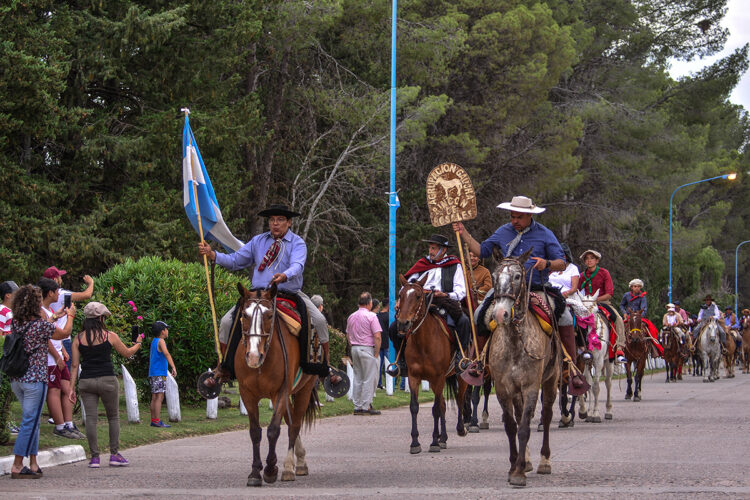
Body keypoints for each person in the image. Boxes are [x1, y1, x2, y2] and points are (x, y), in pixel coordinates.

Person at [453, 195, 585, 391]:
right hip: (506, 288)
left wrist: (546, 263)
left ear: (529, 216)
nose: (514, 220)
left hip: (537, 287)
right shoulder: (503, 231)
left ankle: (570, 368)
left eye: (519, 217)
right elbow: (482, 251)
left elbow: (561, 262)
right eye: (512, 216)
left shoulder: (545, 234)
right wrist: (463, 233)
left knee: (565, 316)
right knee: (480, 312)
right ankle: (478, 362)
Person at [198, 204, 338, 385]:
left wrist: (285, 275)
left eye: (280, 220)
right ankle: (223, 367)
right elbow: (236, 260)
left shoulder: (297, 243)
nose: (275, 224)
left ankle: (325, 366)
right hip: (258, 295)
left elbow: (298, 265)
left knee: (319, 320)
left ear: (288, 223)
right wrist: (213, 255)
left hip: (289, 292)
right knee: (226, 322)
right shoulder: (258, 241)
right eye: (272, 220)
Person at [8, 285, 76, 478]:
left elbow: (42, 327)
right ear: (36, 304)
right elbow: (62, 333)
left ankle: (34, 462)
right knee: (30, 420)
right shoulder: (40, 326)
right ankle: (17, 464)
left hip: (17, 379)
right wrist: (69, 316)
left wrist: (55, 316)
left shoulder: (17, 323)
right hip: (35, 379)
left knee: (34, 420)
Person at [69, 302, 143, 468]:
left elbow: (74, 366)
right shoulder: (110, 336)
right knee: (113, 417)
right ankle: (114, 454)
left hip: (86, 381)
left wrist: (70, 388)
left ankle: (95, 457)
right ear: (101, 318)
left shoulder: (78, 338)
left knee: (91, 419)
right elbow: (127, 353)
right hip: (107, 379)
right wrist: (138, 343)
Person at [388, 234, 472, 375]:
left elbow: (461, 290)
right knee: (393, 327)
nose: (430, 251)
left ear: (443, 250)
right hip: (419, 301)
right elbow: (407, 285)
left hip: (444, 301)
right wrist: (401, 300)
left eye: (434, 248)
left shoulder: (454, 265)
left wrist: (445, 294)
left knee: (463, 321)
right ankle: (401, 360)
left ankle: (460, 357)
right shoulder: (422, 264)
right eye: (430, 248)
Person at [37, 278, 83, 439]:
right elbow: (44, 337)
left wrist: (62, 349)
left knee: (67, 389)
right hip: (50, 359)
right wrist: (57, 356)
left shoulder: (49, 310)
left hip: (57, 355)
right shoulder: (40, 311)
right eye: (57, 291)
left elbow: (53, 332)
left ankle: (69, 423)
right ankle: (59, 425)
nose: (59, 294)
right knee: (54, 390)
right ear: (50, 293)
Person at [578, 250, 628, 361]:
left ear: (597, 260)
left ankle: (620, 348)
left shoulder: (604, 273)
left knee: (618, 319)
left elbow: (609, 293)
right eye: (586, 259)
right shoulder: (582, 276)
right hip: (586, 304)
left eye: (591, 258)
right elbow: (577, 289)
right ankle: (579, 347)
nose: (589, 260)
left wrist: (594, 300)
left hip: (602, 302)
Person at [43, 266, 94, 371]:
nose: (61, 279)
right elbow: (87, 295)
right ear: (54, 280)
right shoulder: (61, 294)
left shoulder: (42, 296)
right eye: (59, 277)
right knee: (65, 374)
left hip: (49, 338)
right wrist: (91, 283)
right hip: (62, 338)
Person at [346, 292, 382, 415]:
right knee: (369, 378)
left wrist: (352, 345)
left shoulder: (351, 316)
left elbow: (348, 334)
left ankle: (357, 406)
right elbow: (377, 336)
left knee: (358, 378)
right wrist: (376, 353)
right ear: (370, 303)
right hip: (367, 348)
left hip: (355, 348)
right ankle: (366, 405)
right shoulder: (371, 316)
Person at [619, 278, 662, 357]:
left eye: (638, 286)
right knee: (619, 328)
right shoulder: (626, 295)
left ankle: (653, 348)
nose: (637, 288)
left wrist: (639, 316)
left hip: (639, 316)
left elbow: (644, 308)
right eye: (635, 286)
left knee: (650, 328)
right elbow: (621, 305)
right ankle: (619, 348)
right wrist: (624, 313)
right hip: (629, 316)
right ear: (631, 287)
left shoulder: (642, 297)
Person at [149, 321, 177, 428]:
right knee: (159, 397)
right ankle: (157, 421)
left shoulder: (154, 341)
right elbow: (166, 353)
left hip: (153, 373)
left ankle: (153, 419)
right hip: (160, 373)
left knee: (154, 396)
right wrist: (173, 366)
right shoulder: (161, 341)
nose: (168, 331)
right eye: (167, 329)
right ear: (162, 331)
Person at [0, 281, 19, 442]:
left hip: (9, 356)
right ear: (8, 295)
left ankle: (6, 422)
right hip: (4, 357)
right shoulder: (3, 311)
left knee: (8, 392)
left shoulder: (10, 311)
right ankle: (4, 423)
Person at [375, 302, 390, 389]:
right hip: (387, 343)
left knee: (378, 365)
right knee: (389, 364)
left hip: (379, 343)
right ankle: (390, 383)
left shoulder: (377, 316)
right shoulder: (389, 316)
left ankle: (379, 383)